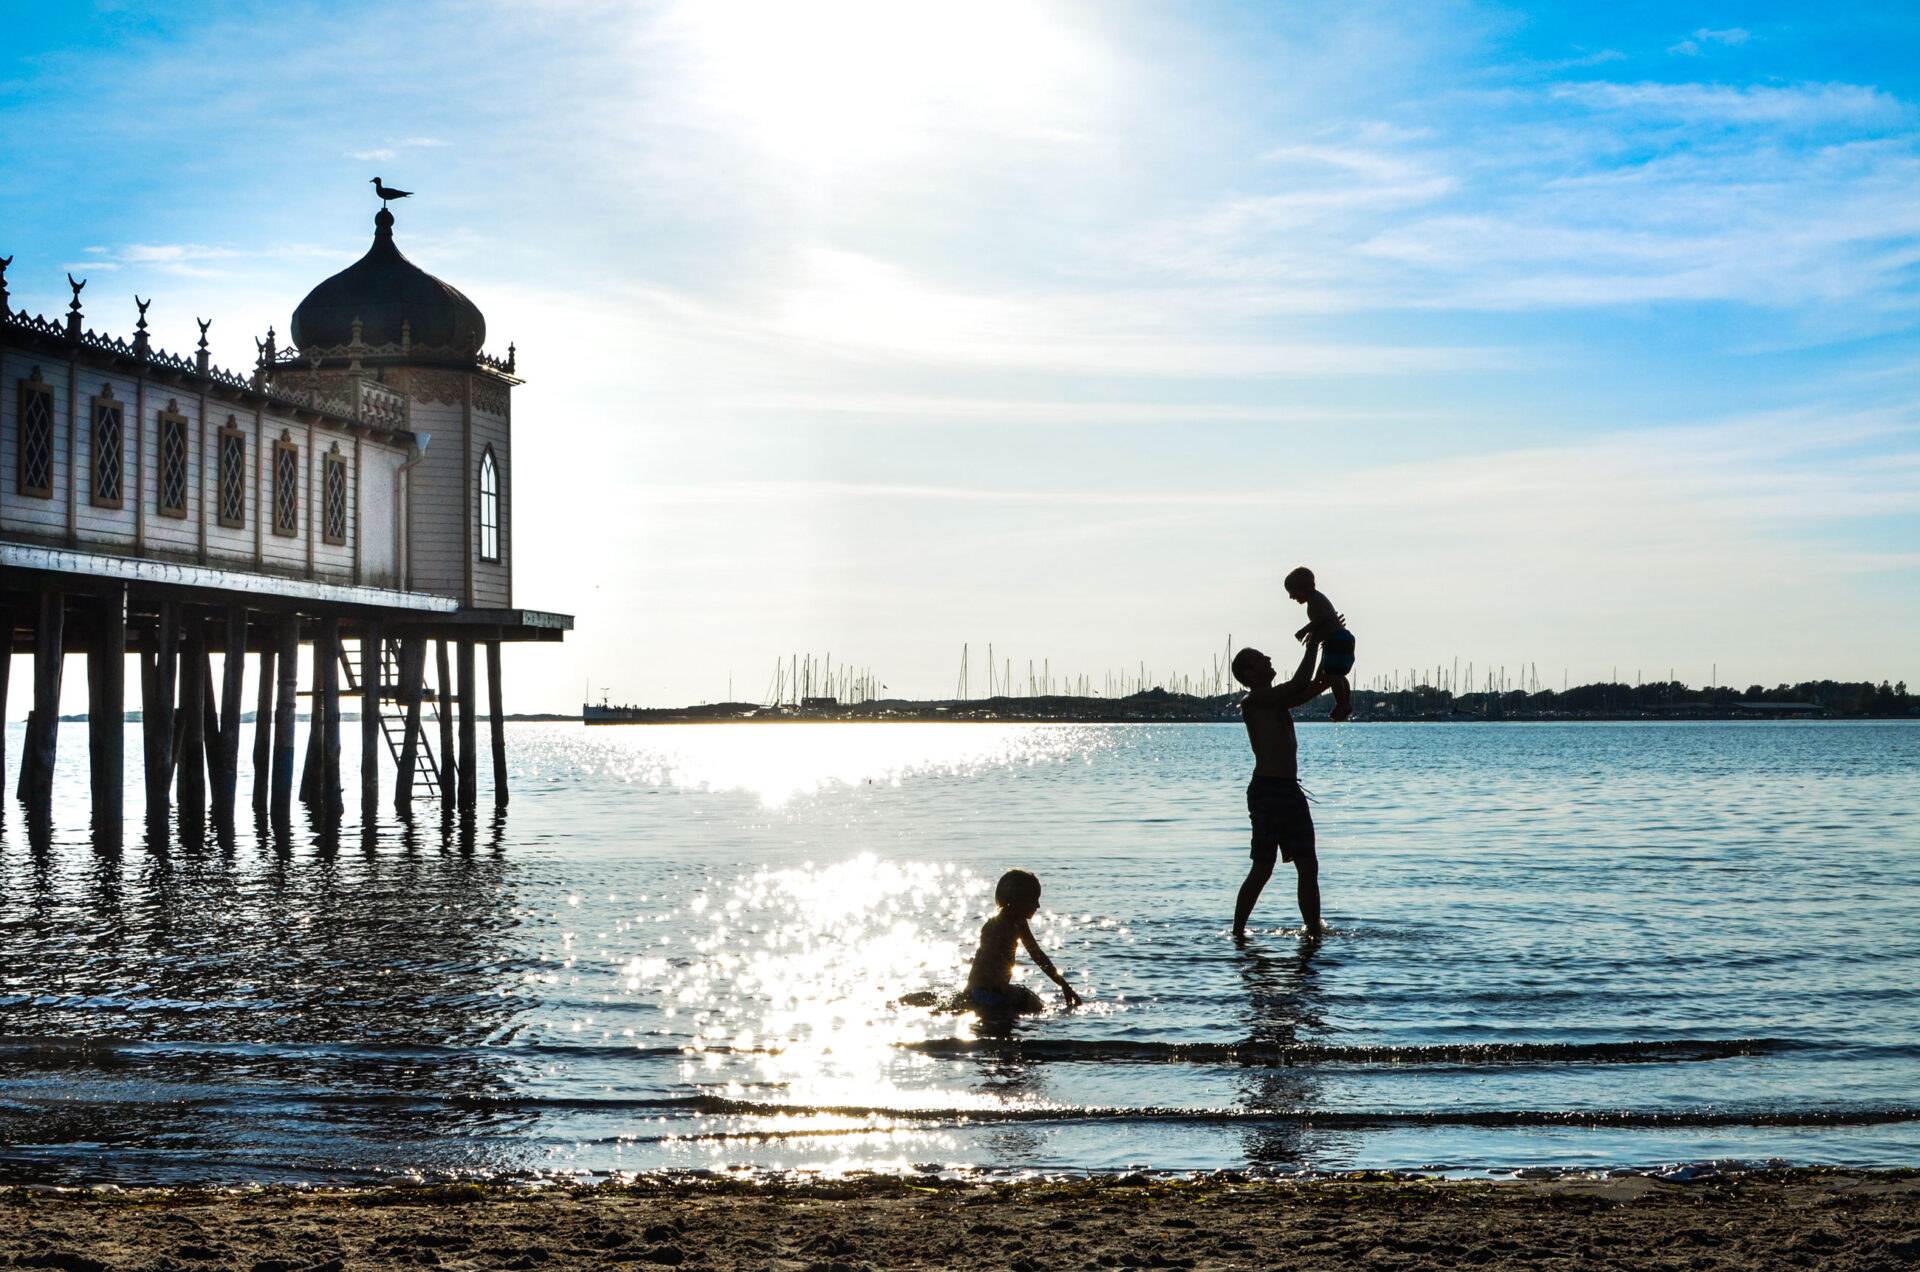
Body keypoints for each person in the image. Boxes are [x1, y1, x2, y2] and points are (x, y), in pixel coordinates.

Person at [1230, 642, 1328, 940]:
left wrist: (1328, 650)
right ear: (1249, 672)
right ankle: (1237, 932)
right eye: (1261, 659)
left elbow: (1311, 687)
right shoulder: (1255, 700)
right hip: (1268, 791)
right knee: (1263, 867)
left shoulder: (1276, 700)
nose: (1270, 659)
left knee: (1308, 864)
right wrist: (1312, 645)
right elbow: (1300, 683)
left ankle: (1313, 931)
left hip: (1289, 790)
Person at [966, 868, 1083, 1015]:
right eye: (1034, 899)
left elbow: (1037, 955)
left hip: (997, 991)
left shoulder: (1019, 923)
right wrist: (1001, 989)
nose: (1038, 906)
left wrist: (1063, 984)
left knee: (1035, 1004)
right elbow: (986, 959)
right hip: (983, 993)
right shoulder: (996, 926)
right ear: (1018, 899)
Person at [1284, 565, 1355, 722]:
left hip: (1337, 639)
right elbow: (1322, 622)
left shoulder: (1314, 599)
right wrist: (1312, 633)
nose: (1291, 597)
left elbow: (1322, 619)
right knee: (1335, 675)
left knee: (1333, 675)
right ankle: (1344, 703)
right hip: (1338, 639)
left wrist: (1303, 631)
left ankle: (1342, 704)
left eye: (1292, 592)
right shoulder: (1316, 599)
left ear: (1304, 587)